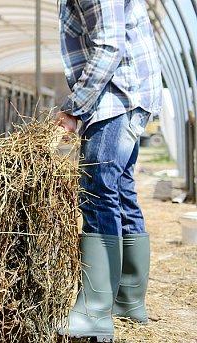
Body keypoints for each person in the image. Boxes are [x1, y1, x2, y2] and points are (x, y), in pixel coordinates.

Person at [55, 0, 163, 340]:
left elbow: (109, 44)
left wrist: (75, 107)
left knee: (97, 191)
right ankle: (128, 300)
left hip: (117, 96)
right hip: (126, 94)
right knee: (118, 190)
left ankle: (94, 312)